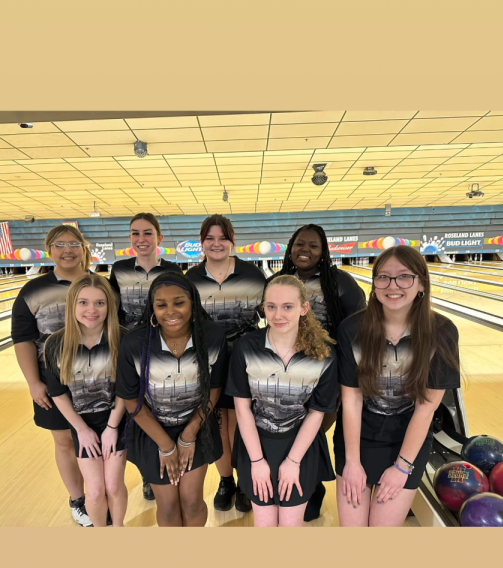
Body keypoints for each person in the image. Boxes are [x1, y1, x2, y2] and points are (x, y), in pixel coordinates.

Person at [334, 246, 460, 527]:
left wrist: (403, 467)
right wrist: (352, 463)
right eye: (383, 277)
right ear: (374, 284)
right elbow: (351, 401)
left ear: (421, 284)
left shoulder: (442, 332)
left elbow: (426, 409)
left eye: (404, 277)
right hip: (357, 439)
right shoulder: (351, 330)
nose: (393, 286)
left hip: (407, 442)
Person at [115, 272, 228, 527]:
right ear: (152, 308)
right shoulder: (135, 343)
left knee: (191, 501)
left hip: (197, 428)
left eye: (179, 302)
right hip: (152, 430)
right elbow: (132, 400)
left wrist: (188, 436)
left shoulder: (212, 337)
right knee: (167, 507)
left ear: (192, 304)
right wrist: (166, 445)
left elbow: (214, 389)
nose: (170, 311)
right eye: (161, 304)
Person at [226, 275, 337, 527]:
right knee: (264, 524)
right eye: (271, 306)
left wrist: (293, 461)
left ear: (304, 308)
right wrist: (256, 462)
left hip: (300, 446)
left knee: (290, 525)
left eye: (288, 306)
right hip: (256, 444)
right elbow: (242, 409)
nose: (278, 315)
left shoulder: (325, 353)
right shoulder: (247, 348)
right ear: (263, 308)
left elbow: (317, 413)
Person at [272, 223, 366, 519]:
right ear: (290, 247)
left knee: (313, 433)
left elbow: (357, 327)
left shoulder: (341, 282)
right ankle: (290, 487)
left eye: (313, 246)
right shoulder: (278, 280)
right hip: (286, 375)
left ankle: (311, 488)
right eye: (300, 244)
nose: (305, 250)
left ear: (323, 251)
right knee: (291, 430)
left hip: (327, 374)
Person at [12, 224, 94, 526]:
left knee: (99, 440)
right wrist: (34, 382)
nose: (68, 250)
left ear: (84, 249)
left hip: (98, 379)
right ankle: (78, 499)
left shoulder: (101, 285)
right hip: (52, 379)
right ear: (50, 251)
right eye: (60, 244)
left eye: (74, 243)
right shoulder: (33, 290)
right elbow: (22, 337)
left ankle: (98, 495)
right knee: (65, 442)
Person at [185, 214, 266, 514]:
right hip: (207, 362)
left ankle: (245, 481)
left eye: (223, 238)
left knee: (244, 424)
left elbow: (271, 316)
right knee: (217, 424)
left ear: (232, 241)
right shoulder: (190, 279)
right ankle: (226, 480)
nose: (216, 244)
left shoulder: (254, 276)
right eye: (210, 238)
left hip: (247, 360)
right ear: (202, 242)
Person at [43, 275, 128, 527]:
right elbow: (58, 392)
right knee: (94, 490)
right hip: (83, 424)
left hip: (116, 419)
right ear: (72, 305)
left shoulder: (122, 339)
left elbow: (126, 389)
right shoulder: (56, 344)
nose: (92, 310)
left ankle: (119, 530)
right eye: (84, 303)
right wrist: (81, 429)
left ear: (109, 306)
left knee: (113, 485)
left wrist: (112, 428)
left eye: (100, 303)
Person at [109, 212, 179, 501]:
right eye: (136, 233)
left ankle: (165, 460)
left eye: (148, 233)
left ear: (159, 237)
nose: (141, 239)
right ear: (130, 238)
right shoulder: (119, 269)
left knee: (158, 408)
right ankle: (147, 474)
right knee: (134, 410)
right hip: (129, 350)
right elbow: (112, 310)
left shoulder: (173, 270)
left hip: (161, 351)